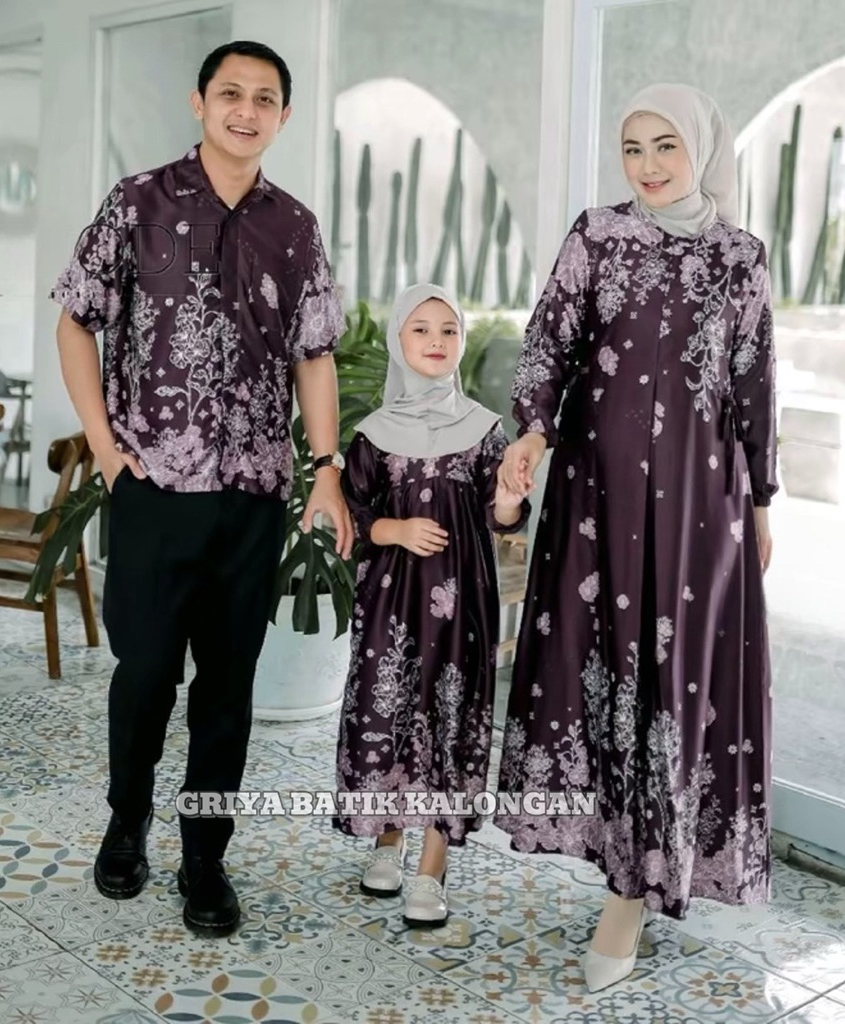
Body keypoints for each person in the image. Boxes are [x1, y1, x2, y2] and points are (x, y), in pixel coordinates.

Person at [51, 40, 351, 935]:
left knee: (227, 688)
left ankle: (205, 858)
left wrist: (325, 473)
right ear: (200, 102)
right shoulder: (137, 203)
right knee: (144, 673)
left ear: (283, 116)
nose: (245, 111)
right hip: (152, 490)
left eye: (264, 98)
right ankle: (126, 822)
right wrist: (107, 452)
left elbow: (315, 355)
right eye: (230, 93)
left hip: (251, 496)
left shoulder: (294, 227)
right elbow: (75, 322)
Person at [496, 84, 776, 991]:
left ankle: (636, 890)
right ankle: (623, 864)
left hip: (702, 502)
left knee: (675, 683)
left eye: (666, 146)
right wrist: (530, 433)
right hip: (598, 494)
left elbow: (753, 383)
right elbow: (549, 340)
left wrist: (762, 504)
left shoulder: (739, 257)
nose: (648, 166)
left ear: (701, 149)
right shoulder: (597, 235)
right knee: (602, 670)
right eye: (632, 148)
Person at [334, 284, 529, 928]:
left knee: (450, 719)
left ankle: (431, 868)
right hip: (389, 606)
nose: (436, 341)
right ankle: (387, 841)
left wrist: (508, 498)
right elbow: (352, 515)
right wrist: (394, 529)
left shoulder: (483, 429)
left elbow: (502, 517)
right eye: (420, 329)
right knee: (387, 712)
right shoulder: (372, 434)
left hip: (462, 606)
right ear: (398, 340)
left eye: (449, 329)